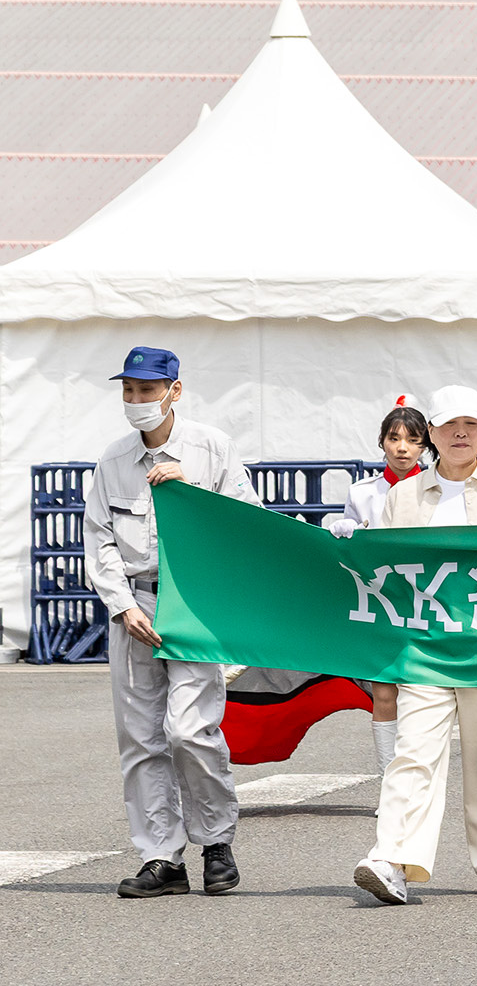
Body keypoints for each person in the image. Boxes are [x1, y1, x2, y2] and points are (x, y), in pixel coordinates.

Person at [351, 385, 477, 907]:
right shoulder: (403, 497)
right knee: (413, 753)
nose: (461, 434)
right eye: (449, 426)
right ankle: (392, 859)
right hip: (425, 648)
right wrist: (350, 541)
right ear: (432, 434)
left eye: (472, 425)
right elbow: (381, 573)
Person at [85, 346, 260, 899]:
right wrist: (122, 605)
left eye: (147, 389)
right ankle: (161, 857)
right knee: (140, 738)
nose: (136, 399)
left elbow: (248, 524)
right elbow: (99, 540)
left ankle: (216, 841)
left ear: (174, 391)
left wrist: (192, 490)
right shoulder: (114, 460)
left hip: (194, 605)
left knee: (189, 729)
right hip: (135, 605)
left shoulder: (213, 449)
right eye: (128, 390)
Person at [338, 399, 431, 775]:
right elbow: (345, 551)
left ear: (425, 445)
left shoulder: (440, 489)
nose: (403, 448)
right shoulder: (362, 493)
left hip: (430, 604)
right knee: (384, 692)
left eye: (413, 440)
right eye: (394, 438)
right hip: (381, 605)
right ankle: (390, 782)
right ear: (382, 442)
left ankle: (420, 780)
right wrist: (342, 532)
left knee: (424, 696)